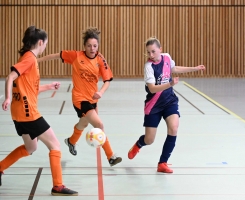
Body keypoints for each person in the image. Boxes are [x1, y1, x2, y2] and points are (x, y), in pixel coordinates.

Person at [0, 26, 78, 196]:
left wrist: (48, 86)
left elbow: (29, 89)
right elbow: (10, 76)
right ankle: (58, 185)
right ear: (40, 42)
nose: (45, 47)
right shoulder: (30, 59)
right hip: (29, 114)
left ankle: (0, 167)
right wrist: (7, 97)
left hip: (18, 114)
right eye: (45, 44)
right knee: (55, 145)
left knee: (30, 147)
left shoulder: (27, 58)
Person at [37, 27, 122, 166]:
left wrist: (101, 92)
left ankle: (71, 141)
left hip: (93, 98)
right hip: (80, 99)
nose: (92, 48)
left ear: (98, 46)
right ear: (84, 46)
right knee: (99, 125)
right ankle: (111, 156)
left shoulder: (101, 59)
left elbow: (107, 80)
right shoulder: (76, 56)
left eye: (95, 46)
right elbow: (56, 55)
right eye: (89, 45)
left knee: (84, 123)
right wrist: (37, 61)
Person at [127, 37, 205, 173]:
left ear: (160, 50)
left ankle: (162, 163)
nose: (151, 55)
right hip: (154, 105)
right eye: (148, 52)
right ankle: (139, 144)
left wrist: (195, 68)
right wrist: (170, 84)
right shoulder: (149, 67)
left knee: (174, 128)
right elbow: (152, 88)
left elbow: (174, 68)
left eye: (153, 51)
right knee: (149, 139)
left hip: (169, 101)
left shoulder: (167, 57)